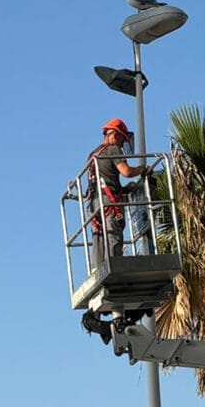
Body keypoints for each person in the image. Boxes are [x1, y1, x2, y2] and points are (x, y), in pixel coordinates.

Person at [80, 118, 150, 344]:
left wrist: (125, 191)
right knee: (113, 239)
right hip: (108, 205)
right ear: (113, 134)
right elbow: (126, 171)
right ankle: (115, 271)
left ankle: (99, 272)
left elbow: (110, 181)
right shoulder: (112, 149)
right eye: (121, 137)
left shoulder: (94, 155)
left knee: (99, 240)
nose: (122, 143)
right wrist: (144, 169)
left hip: (95, 206)